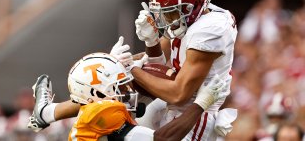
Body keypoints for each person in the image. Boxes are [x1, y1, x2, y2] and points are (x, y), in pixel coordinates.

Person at [130, 0, 237, 140]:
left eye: (171, 12)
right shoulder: (191, 19)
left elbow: (178, 93)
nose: (166, 20)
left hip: (195, 115)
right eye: (163, 13)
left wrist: (133, 70)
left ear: (193, 7)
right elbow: (157, 65)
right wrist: (151, 42)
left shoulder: (209, 30)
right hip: (173, 105)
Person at [30, 52, 227, 141]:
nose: (128, 92)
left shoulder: (93, 109)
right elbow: (163, 139)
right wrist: (200, 104)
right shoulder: (102, 113)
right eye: (120, 88)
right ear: (96, 94)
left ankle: (47, 112)